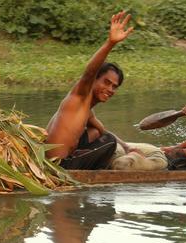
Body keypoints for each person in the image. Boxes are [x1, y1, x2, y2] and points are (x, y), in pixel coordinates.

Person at [45, 11, 134, 170]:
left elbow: (102, 130)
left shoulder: (86, 110)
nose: (110, 89)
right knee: (109, 143)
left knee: (98, 133)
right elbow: (89, 72)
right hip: (59, 166)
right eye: (106, 83)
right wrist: (110, 43)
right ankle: (96, 178)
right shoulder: (80, 96)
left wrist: (126, 147)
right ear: (94, 81)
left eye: (114, 86)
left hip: (62, 160)